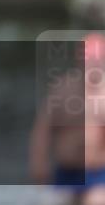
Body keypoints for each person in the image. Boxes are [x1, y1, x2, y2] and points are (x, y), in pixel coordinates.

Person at [30, 32, 105, 205]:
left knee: (96, 200)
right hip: (67, 170)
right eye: (89, 59)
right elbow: (42, 130)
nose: (94, 64)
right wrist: (39, 165)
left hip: (99, 172)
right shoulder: (63, 90)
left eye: (98, 59)